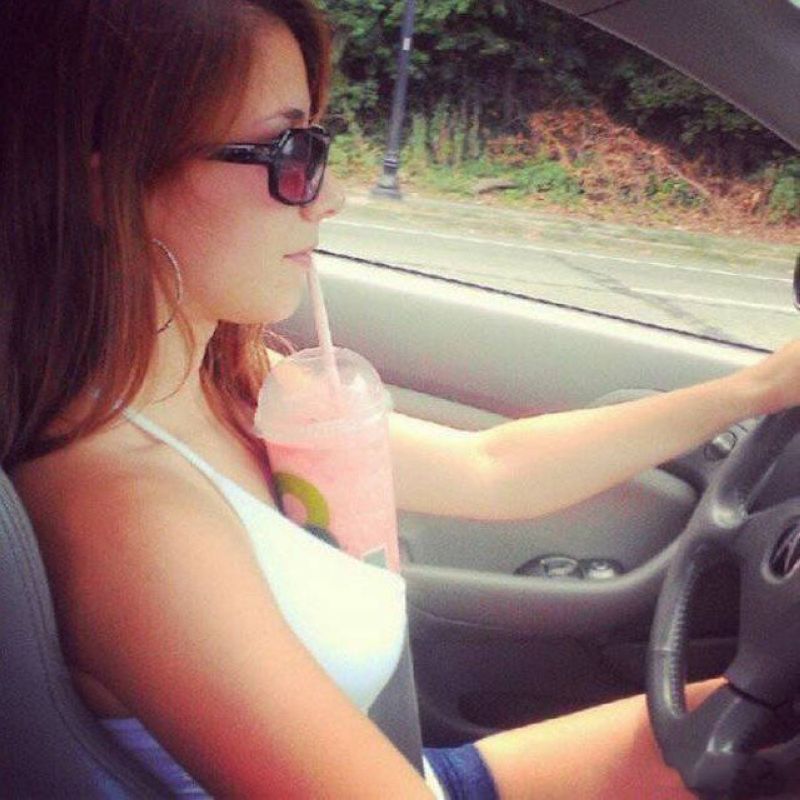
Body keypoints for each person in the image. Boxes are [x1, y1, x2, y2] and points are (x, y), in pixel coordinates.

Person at [2, 1, 800, 797]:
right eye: (291, 152)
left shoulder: (232, 388)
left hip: (421, 774)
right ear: (109, 181)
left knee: (775, 723)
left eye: (319, 147)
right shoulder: (129, 513)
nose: (330, 197)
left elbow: (491, 469)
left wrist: (755, 388)